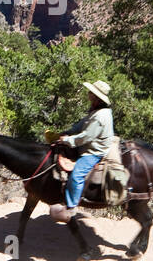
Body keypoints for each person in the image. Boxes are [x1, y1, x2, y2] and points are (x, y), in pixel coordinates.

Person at [45, 80, 117, 215]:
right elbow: (81, 125)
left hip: (94, 151)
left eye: (91, 92)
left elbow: (86, 137)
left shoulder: (100, 116)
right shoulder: (96, 111)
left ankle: (71, 206)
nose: (88, 94)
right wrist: (65, 133)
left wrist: (66, 140)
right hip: (88, 144)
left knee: (77, 175)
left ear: (96, 97)